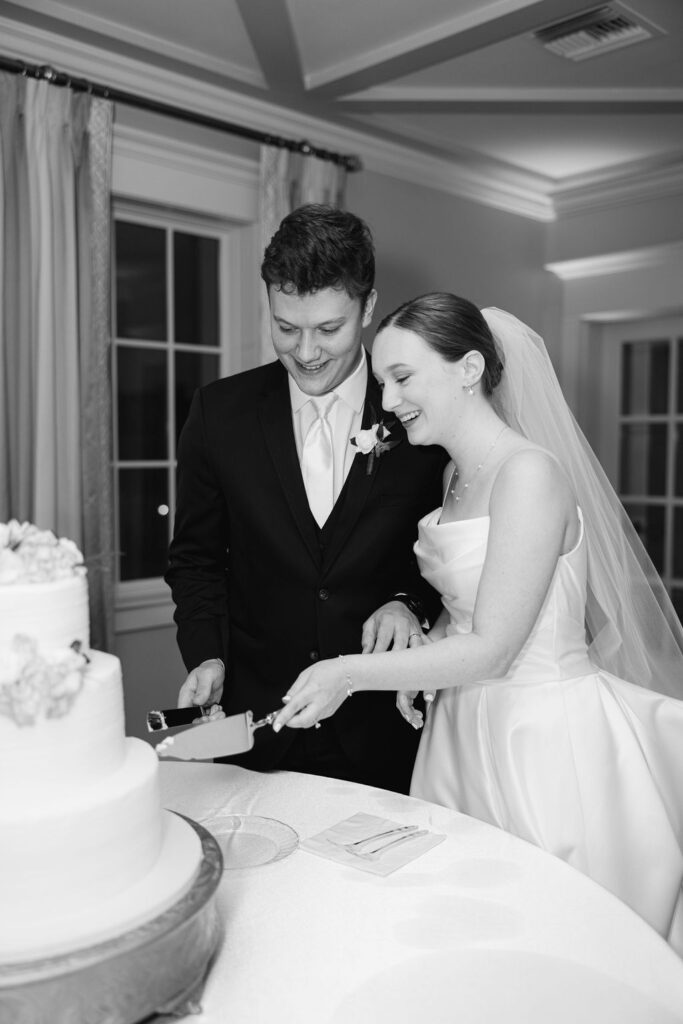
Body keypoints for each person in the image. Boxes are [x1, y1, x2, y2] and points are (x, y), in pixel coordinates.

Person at [273, 292, 683, 950]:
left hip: (542, 739)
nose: (389, 399)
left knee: (554, 937)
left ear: (467, 369)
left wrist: (347, 672)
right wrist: (422, 641)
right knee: (473, 931)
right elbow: (472, 613)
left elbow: (494, 649)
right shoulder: (458, 478)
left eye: (402, 377)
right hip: (461, 729)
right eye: (381, 381)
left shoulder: (529, 475)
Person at [165, 206, 447, 793]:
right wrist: (207, 657)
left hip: (384, 728)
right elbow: (194, 558)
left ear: (368, 309)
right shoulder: (219, 413)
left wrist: (408, 603)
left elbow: (445, 550)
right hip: (256, 727)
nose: (307, 351)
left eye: (328, 329)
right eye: (286, 327)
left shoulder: (419, 413)